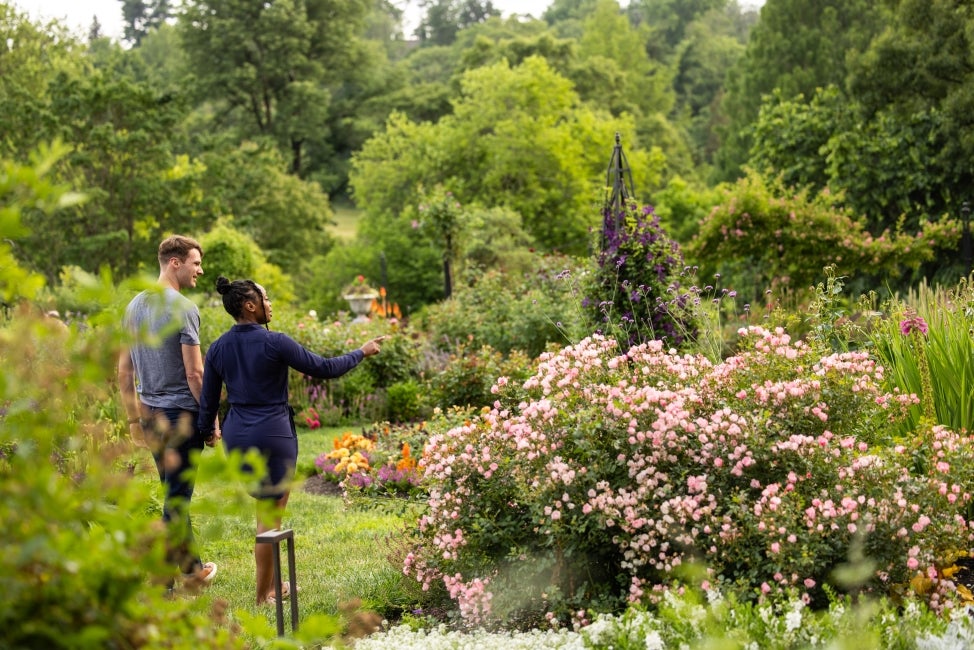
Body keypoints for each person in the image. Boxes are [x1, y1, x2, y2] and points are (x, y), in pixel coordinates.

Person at [198, 276, 384, 605]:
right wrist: (361, 352)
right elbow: (325, 368)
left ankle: (272, 585)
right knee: (269, 519)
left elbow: (208, 403)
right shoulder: (276, 342)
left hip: (238, 435)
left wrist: (204, 435)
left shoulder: (217, 348)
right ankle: (262, 596)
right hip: (273, 433)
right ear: (249, 306)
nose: (270, 305)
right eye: (265, 299)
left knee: (265, 512)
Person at [118, 234, 219, 586]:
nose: (200, 271)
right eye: (196, 263)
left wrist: (133, 420)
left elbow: (123, 372)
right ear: (175, 263)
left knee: (174, 495)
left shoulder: (133, 307)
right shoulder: (183, 308)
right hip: (182, 418)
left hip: (151, 417)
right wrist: (212, 420)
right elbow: (195, 373)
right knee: (177, 500)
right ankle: (162, 583)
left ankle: (193, 568)